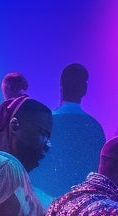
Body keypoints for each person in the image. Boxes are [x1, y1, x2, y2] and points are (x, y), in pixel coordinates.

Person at [29, 63, 106, 199]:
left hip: (44, 200)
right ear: (85, 89)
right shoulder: (94, 127)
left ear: (61, 87)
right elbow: (99, 170)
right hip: (82, 202)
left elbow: (33, 165)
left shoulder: (45, 123)